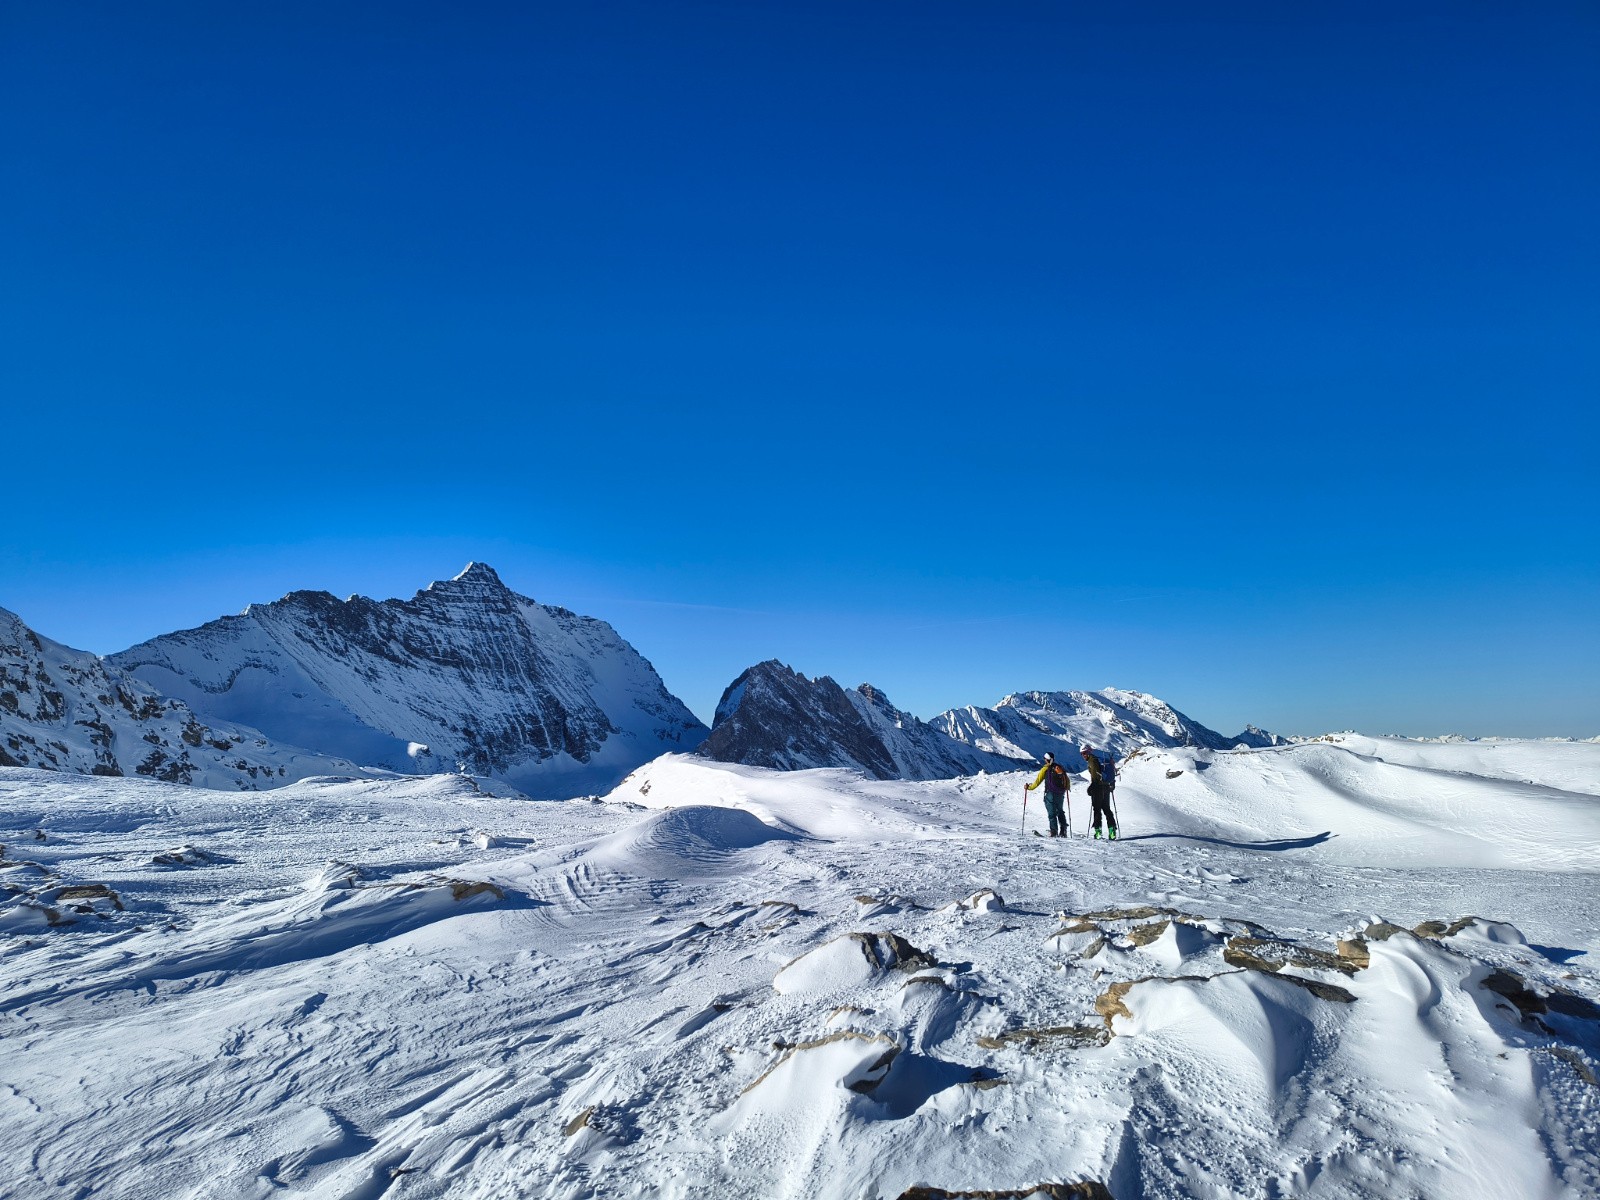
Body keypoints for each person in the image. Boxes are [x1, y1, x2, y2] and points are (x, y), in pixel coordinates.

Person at [1025, 750, 1072, 836]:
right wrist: (1067, 788)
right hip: (1060, 794)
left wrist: (1029, 787)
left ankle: (1054, 832)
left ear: (1047, 759)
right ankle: (1063, 830)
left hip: (1050, 794)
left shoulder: (1046, 769)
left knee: (1052, 813)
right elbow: (1067, 780)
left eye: (1045, 759)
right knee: (1060, 811)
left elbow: (1037, 782)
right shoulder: (1059, 768)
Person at [1081, 744, 1117, 840]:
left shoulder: (1092, 761)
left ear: (1089, 752)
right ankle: (1112, 830)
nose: (1083, 755)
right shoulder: (1099, 759)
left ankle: (1098, 832)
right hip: (1106, 787)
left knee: (1097, 810)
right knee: (1106, 809)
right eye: (1082, 754)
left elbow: (1095, 776)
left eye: (1084, 753)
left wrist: (1091, 788)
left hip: (1098, 788)